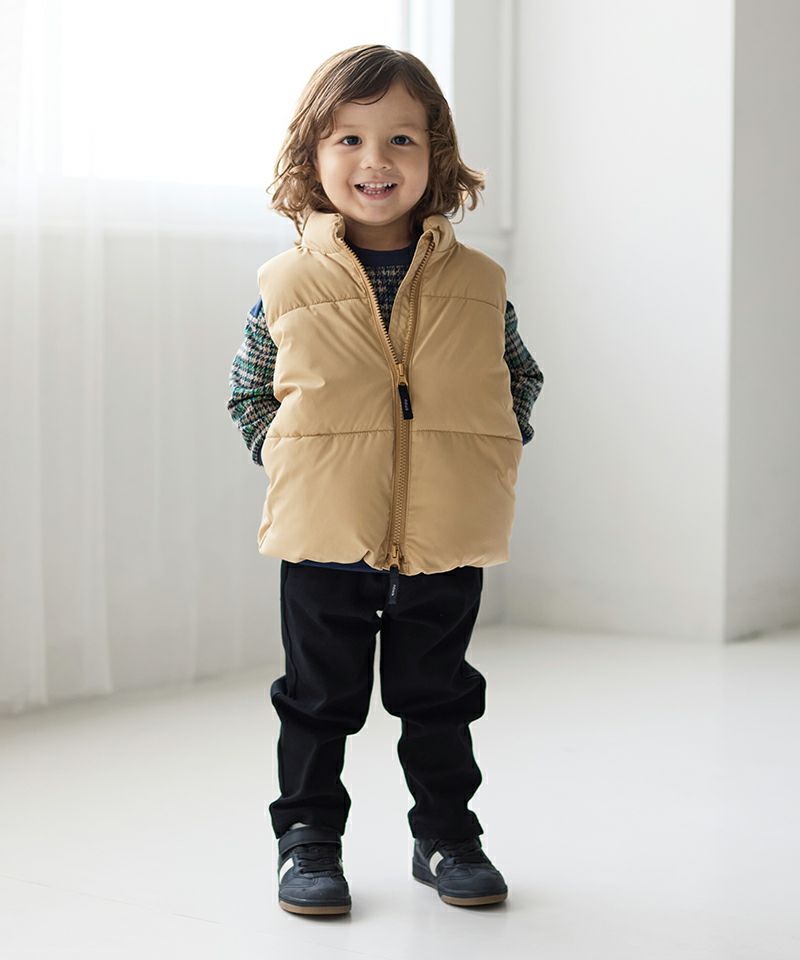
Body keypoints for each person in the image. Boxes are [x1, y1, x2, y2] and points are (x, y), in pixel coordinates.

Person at [227, 44, 544, 916]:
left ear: (436, 155)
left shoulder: (479, 286)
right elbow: (251, 392)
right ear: (312, 155)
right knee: (315, 701)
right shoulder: (287, 285)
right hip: (325, 534)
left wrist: (484, 459)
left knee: (440, 699)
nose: (376, 160)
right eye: (350, 139)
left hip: (445, 536)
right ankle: (307, 842)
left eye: (402, 138)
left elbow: (519, 378)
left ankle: (447, 836)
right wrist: (297, 465)